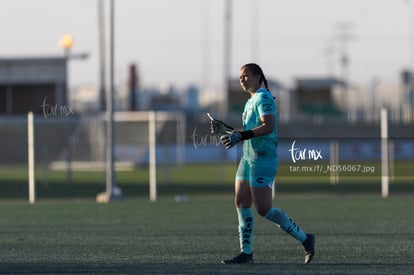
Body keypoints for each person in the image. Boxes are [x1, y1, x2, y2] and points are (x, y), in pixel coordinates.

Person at [211, 63, 315, 264]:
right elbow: (247, 131)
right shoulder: (250, 100)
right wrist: (225, 130)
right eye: (240, 77)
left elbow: (268, 127)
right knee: (241, 202)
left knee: (264, 209)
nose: (242, 79)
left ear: (258, 77)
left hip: (263, 158)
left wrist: (241, 135)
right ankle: (246, 253)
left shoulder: (264, 97)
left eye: (246, 76)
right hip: (248, 158)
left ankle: (305, 238)